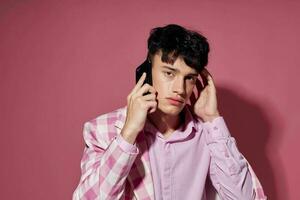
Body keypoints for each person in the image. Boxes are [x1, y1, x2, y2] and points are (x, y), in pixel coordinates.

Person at [72, 24, 266, 200]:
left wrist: (212, 119)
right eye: (169, 73)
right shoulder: (103, 130)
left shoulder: (209, 135)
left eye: (189, 78)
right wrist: (128, 134)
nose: (180, 89)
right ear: (147, 70)